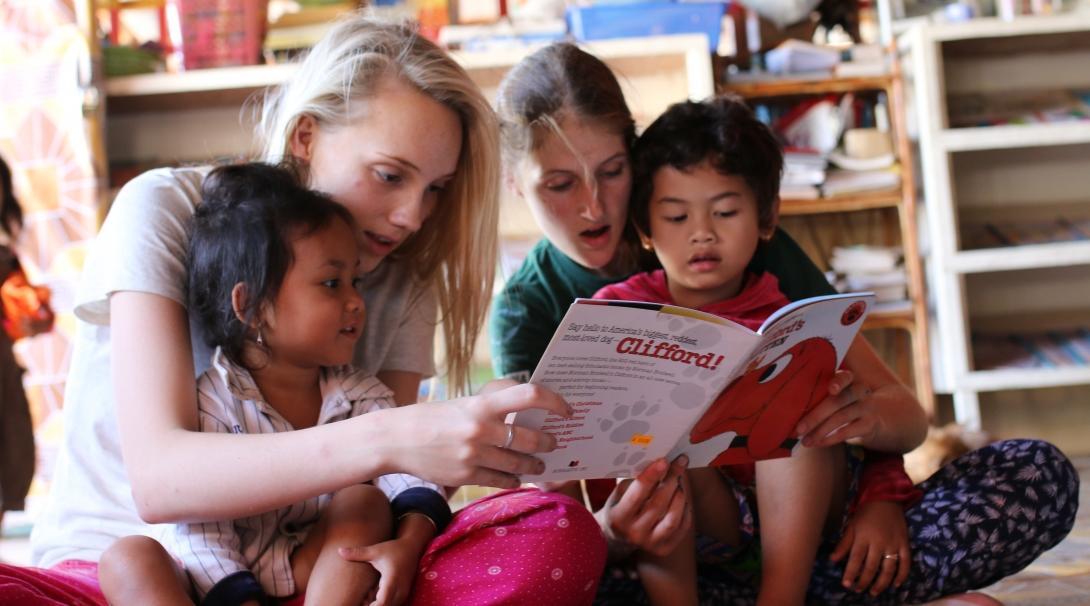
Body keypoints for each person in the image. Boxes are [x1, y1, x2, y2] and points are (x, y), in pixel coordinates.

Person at [0, 16, 605, 606]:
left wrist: (466, 447)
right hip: (123, 574)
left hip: (314, 574)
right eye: (390, 175)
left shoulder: (402, 273)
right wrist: (396, 433)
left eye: (435, 189)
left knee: (558, 534)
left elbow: (380, 485)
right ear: (305, 137)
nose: (412, 216)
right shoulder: (164, 207)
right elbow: (161, 483)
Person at [490, 41, 1079, 605]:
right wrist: (615, 535)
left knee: (1036, 475)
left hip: (813, 532)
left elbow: (878, 402)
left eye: (612, 171)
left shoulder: (739, 240)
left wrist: (881, 499)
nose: (594, 206)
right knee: (556, 575)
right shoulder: (529, 307)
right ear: (516, 184)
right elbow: (555, 526)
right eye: (560, 185)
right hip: (669, 550)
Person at [591, 96, 922, 605]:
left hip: (807, 524)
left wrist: (868, 420)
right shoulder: (618, 309)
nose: (702, 232)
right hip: (705, 530)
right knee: (661, 448)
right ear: (646, 230)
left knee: (794, 411)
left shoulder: (795, 318)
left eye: (725, 211)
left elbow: (912, 421)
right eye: (676, 216)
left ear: (766, 220)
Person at [99, 164, 454, 605]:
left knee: (364, 501)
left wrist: (409, 542)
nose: (356, 302)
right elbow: (199, 533)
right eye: (331, 283)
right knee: (127, 557)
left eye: (355, 282)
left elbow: (409, 470)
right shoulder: (212, 401)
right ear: (251, 306)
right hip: (216, 587)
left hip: (308, 570)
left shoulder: (361, 395)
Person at [0, 155, 51, 536]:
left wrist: (32, 321)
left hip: (3, 380)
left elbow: (23, 320)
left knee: (8, 467)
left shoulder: (6, 260)